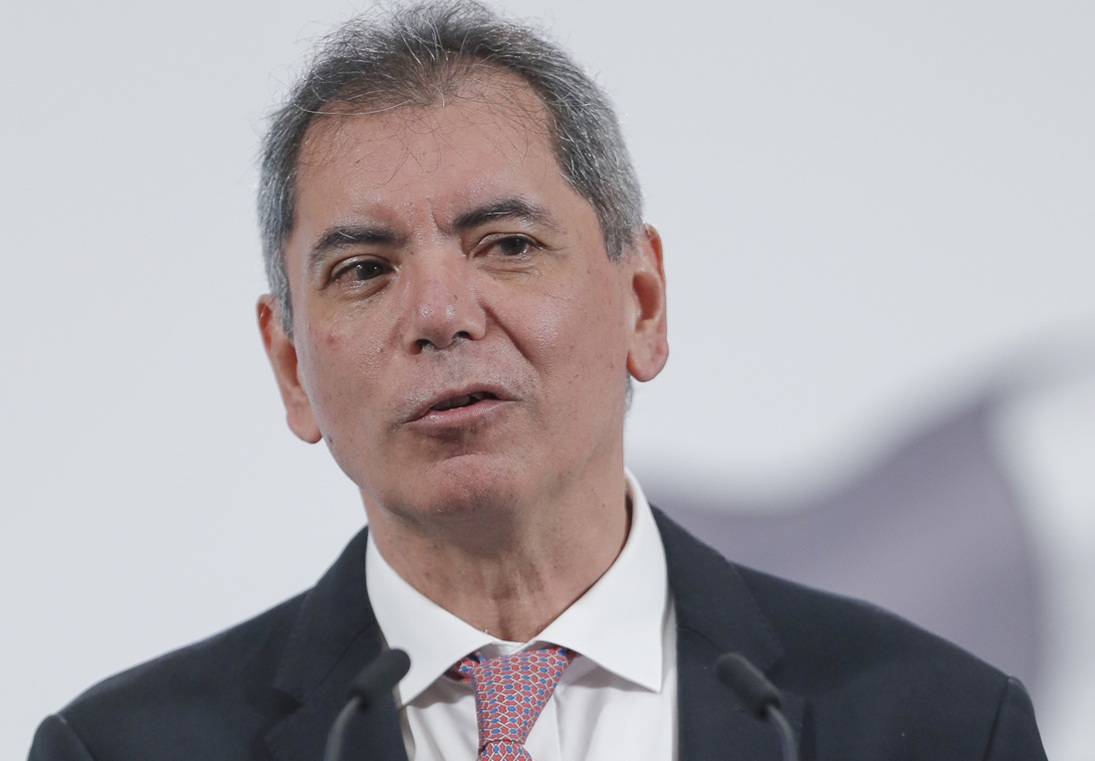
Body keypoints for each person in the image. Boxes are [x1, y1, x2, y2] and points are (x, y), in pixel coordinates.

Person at [28, 2, 1046, 759]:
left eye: (507, 244)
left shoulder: (943, 725)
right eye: (365, 270)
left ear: (642, 302)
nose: (441, 314)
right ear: (291, 366)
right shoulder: (123, 749)